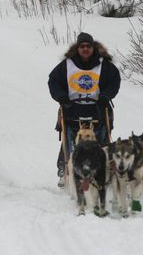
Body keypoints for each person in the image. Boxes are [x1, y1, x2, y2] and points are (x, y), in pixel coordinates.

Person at [48, 32, 121, 186]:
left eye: (88, 46)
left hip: (98, 108)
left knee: (102, 141)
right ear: (78, 48)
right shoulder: (67, 65)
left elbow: (114, 80)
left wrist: (106, 96)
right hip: (72, 108)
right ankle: (64, 169)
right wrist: (61, 97)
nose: (85, 49)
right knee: (69, 141)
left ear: (93, 48)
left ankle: (104, 170)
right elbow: (53, 81)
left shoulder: (104, 65)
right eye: (82, 46)